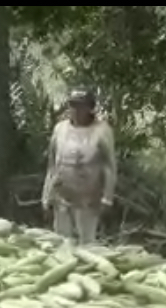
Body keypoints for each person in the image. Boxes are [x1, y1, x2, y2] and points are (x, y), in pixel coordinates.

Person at [41, 88, 117, 245]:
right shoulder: (60, 129)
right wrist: (46, 196)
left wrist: (107, 199)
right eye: (72, 105)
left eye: (81, 106)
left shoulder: (101, 131)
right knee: (62, 241)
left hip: (88, 197)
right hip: (62, 193)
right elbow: (52, 164)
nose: (76, 110)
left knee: (87, 242)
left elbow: (109, 166)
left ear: (90, 108)